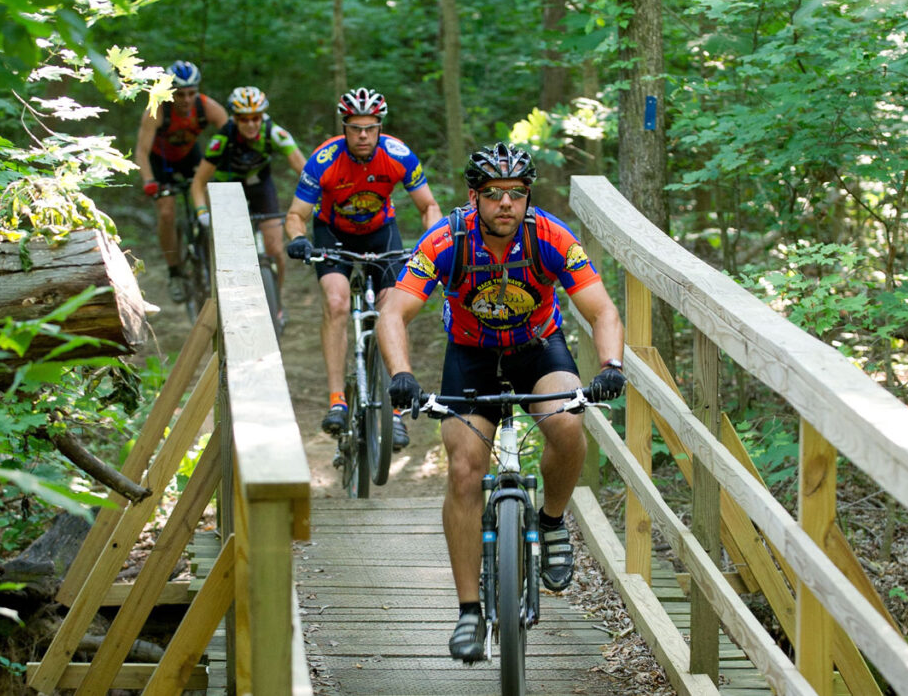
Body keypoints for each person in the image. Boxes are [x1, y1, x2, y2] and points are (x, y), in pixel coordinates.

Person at [375, 142, 626, 662]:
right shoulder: (447, 239)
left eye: (516, 193)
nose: (506, 204)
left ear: (528, 197)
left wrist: (610, 367)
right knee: (465, 468)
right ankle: (469, 611)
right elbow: (394, 312)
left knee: (568, 426)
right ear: (475, 197)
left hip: (538, 350)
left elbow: (602, 310)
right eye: (494, 195)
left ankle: (553, 523)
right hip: (470, 356)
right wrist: (401, 374)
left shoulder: (551, 237)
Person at [284, 87, 442, 451]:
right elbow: (296, 215)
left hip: (381, 235)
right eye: (355, 128)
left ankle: (397, 409)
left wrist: (431, 239)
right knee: (338, 302)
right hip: (333, 235)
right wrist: (298, 239)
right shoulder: (324, 160)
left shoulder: (398, 155)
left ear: (379, 127)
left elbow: (428, 205)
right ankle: (337, 399)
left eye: (370, 128)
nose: (363, 136)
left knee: (393, 307)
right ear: (344, 128)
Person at [190, 86, 306, 326]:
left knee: (275, 247)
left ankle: (277, 301)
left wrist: (312, 201)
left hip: (260, 187)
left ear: (262, 116)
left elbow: (304, 171)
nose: (251, 124)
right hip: (227, 189)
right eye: (244, 119)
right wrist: (202, 212)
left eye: (256, 118)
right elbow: (198, 183)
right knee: (229, 253)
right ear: (235, 118)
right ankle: (228, 303)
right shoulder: (222, 139)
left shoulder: (274, 133)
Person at [134, 60, 228, 302]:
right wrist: (149, 181)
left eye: (191, 93)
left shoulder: (207, 107)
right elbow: (142, 152)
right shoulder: (157, 110)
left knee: (207, 199)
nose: (186, 99)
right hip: (161, 161)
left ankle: (213, 253)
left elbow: (231, 135)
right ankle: (175, 272)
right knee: (166, 213)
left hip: (190, 156)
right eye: (180, 94)